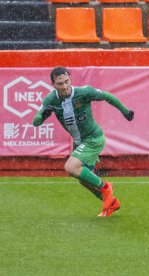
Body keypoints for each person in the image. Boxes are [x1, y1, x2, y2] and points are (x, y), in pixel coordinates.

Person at [33, 67, 134, 217]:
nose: (65, 86)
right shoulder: (50, 100)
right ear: (53, 84)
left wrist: (125, 111)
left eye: (67, 81)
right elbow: (36, 122)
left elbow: (107, 96)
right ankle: (112, 203)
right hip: (80, 142)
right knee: (83, 179)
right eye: (60, 83)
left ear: (70, 79)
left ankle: (106, 187)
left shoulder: (83, 92)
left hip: (93, 138)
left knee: (70, 167)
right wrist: (42, 116)